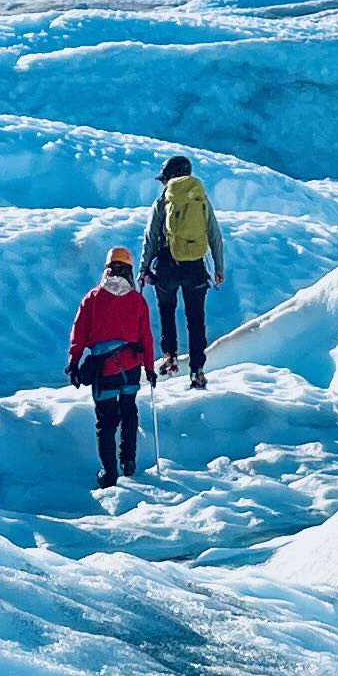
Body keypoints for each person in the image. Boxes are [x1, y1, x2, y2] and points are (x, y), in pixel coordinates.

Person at [67, 244, 155, 487]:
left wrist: (73, 362)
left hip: (104, 370)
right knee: (129, 412)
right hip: (130, 368)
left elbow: (79, 333)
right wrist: (149, 367)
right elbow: (145, 336)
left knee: (106, 422)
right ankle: (128, 461)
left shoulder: (92, 298)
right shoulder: (137, 301)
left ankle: (109, 473)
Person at [140, 154, 226, 386]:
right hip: (196, 267)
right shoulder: (201, 200)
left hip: (168, 266)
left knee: (167, 311)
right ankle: (197, 370)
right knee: (196, 318)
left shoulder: (162, 202)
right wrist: (218, 267)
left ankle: (170, 358)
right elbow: (215, 235)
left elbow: (150, 238)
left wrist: (144, 267)